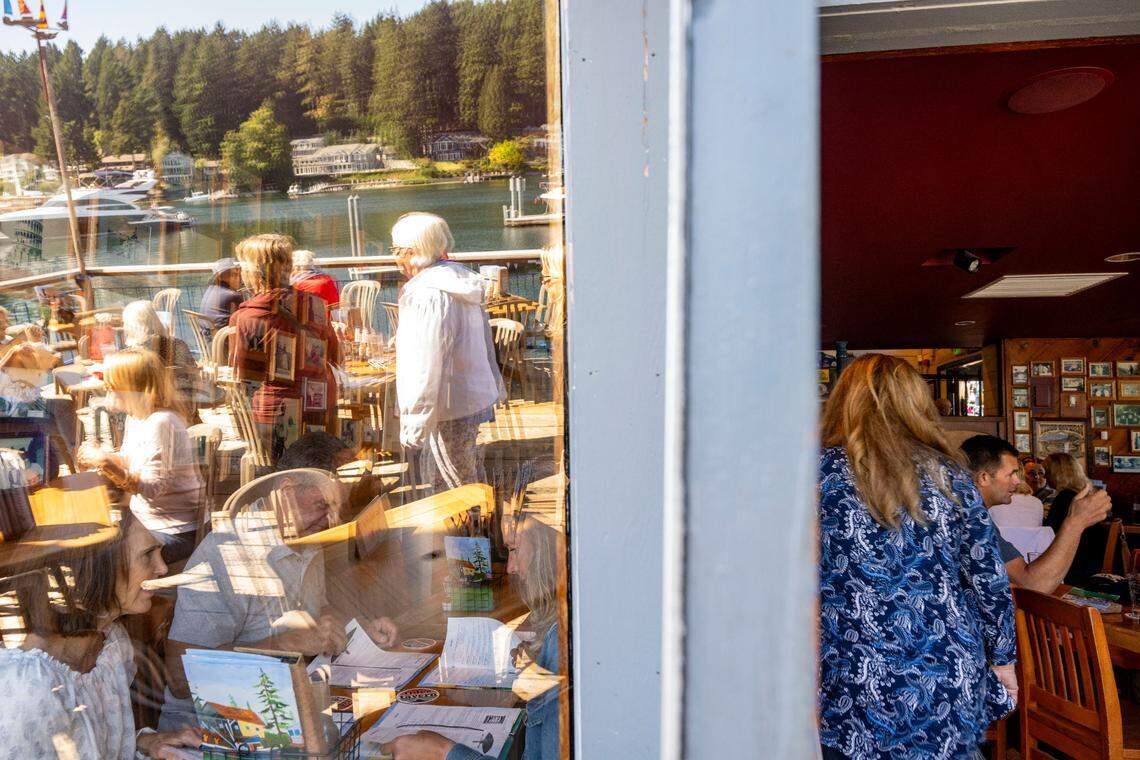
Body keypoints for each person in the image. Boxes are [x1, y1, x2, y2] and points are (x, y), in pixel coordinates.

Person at [817, 354, 1016, 760]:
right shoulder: (952, 476)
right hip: (946, 666)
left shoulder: (816, 473)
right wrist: (1003, 659)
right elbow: (988, 578)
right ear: (917, 404)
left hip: (850, 670)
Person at [159, 431, 398, 730]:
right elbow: (181, 678)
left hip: (284, 710)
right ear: (286, 489)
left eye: (338, 507)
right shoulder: (223, 556)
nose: (333, 521)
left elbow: (318, 609)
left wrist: (357, 628)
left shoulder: (304, 535)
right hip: (212, 728)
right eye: (323, 505)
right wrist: (285, 643)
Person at [0, 511, 201, 758]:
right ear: (98, 568)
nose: (162, 568)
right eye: (147, 555)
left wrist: (147, 741)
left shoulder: (112, 644)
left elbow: (96, 743)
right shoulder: (28, 685)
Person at [382, 511, 563, 760]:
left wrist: (442, 752)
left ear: (548, 551)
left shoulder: (562, 641)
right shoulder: (566, 627)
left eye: (514, 549)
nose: (510, 567)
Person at [392, 212, 504, 493]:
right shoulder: (457, 282)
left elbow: (424, 364)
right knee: (466, 475)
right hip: (468, 399)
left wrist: (414, 423)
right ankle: (477, 532)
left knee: (451, 487)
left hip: (448, 406)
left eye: (396, 250)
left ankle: (463, 535)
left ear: (413, 251)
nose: (395, 259)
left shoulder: (428, 293)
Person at [77, 347, 204, 565]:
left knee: (96, 561)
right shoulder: (137, 418)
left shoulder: (162, 422)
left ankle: (138, 598)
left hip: (177, 532)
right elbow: (129, 461)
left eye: (111, 387)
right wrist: (103, 457)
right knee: (89, 552)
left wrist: (105, 461)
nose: (107, 392)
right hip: (149, 522)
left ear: (131, 389)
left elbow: (153, 489)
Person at [228, 234, 339, 453]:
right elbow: (335, 355)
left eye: (242, 266)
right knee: (319, 474)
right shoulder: (314, 304)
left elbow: (245, 377)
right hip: (318, 405)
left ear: (253, 272)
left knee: (280, 478)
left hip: (276, 416)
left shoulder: (248, 317)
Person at [962, 435, 1111, 593]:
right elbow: (1035, 585)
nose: (1018, 481)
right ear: (984, 478)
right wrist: (1075, 522)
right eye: (1011, 474)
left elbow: (1029, 583)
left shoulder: (978, 518)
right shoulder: (970, 520)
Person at [1042, 452, 1110, 584]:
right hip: (1092, 561)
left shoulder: (1065, 497)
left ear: (1055, 473)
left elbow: (1049, 534)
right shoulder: (1086, 495)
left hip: (1074, 567)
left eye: (1047, 471)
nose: (1045, 476)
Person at [122, 300, 199, 408]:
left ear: (131, 325)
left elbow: (130, 386)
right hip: (185, 407)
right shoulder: (179, 345)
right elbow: (194, 376)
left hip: (151, 407)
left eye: (124, 323)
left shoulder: (135, 354)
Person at [200, 257, 244, 331]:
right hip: (222, 339)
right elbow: (244, 319)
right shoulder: (233, 295)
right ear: (220, 277)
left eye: (239, 274)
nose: (240, 279)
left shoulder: (210, 289)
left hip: (207, 337)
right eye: (234, 275)